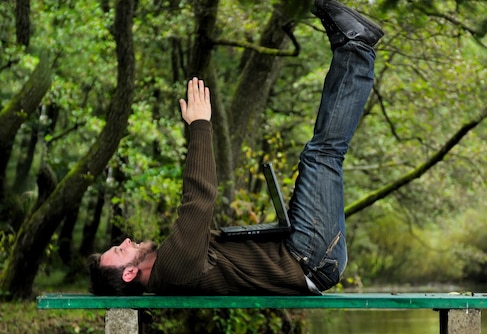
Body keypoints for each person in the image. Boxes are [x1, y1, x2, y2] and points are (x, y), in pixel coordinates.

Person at [88, 0, 384, 296]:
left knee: (319, 154)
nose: (126, 241)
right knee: (321, 155)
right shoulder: (173, 270)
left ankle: (351, 48)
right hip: (308, 257)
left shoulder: (171, 266)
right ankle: (356, 48)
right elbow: (199, 200)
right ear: (129, 273)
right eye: (120, 249)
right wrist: (200, 125)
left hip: (300, 252)